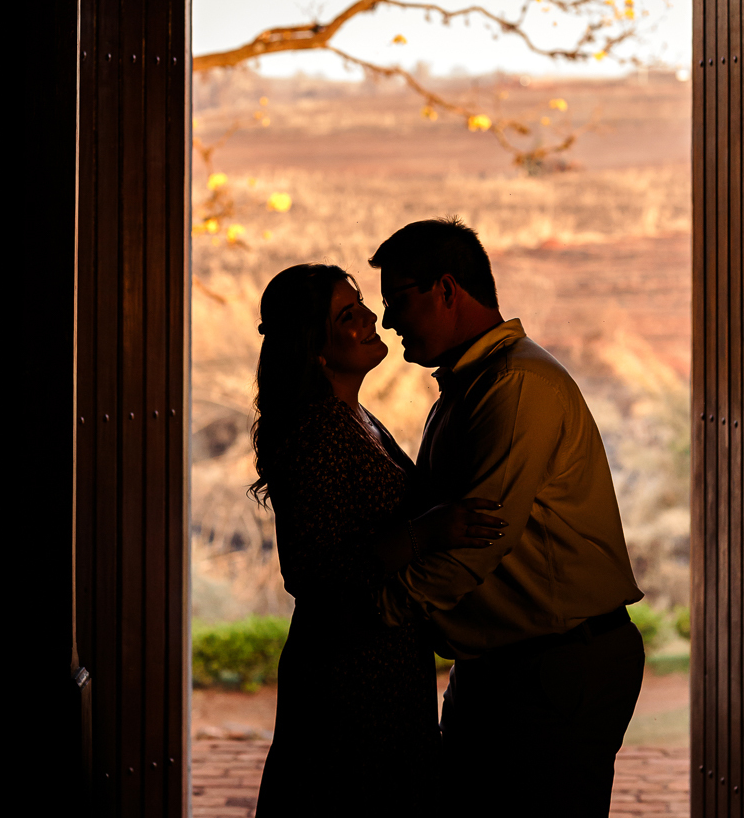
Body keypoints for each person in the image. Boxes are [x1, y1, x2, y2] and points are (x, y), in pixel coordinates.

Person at [368, 217, 646, 818]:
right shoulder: (475, 383)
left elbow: (477, 543)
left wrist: (374, 610)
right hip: (507, 667)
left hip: (553, 669)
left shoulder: (516, 384)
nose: (388, 321)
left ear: (447, 289)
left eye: (397, 300)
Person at [251, 263, 505, 818]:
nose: (371, 318)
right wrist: (427, 531)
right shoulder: (318, 430)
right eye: (347, 315)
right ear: (316, 350)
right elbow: (312, 569)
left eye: (361, 303)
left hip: (384, 657)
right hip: (349, 669)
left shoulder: (355, 417)